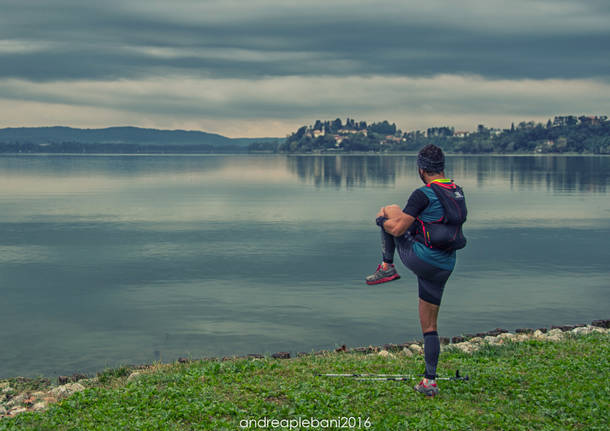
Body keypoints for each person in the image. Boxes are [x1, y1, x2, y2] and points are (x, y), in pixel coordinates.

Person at [365, 144, 467, 397]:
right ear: (441, 167)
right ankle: (429, 382)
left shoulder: (423, 194)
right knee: (430, 325)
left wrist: (381, 222)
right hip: (445, 264)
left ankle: (387, 266)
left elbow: (398, 230)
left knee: (388, 211)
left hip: (423, 258)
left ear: (421, 169)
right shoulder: (456, 191)